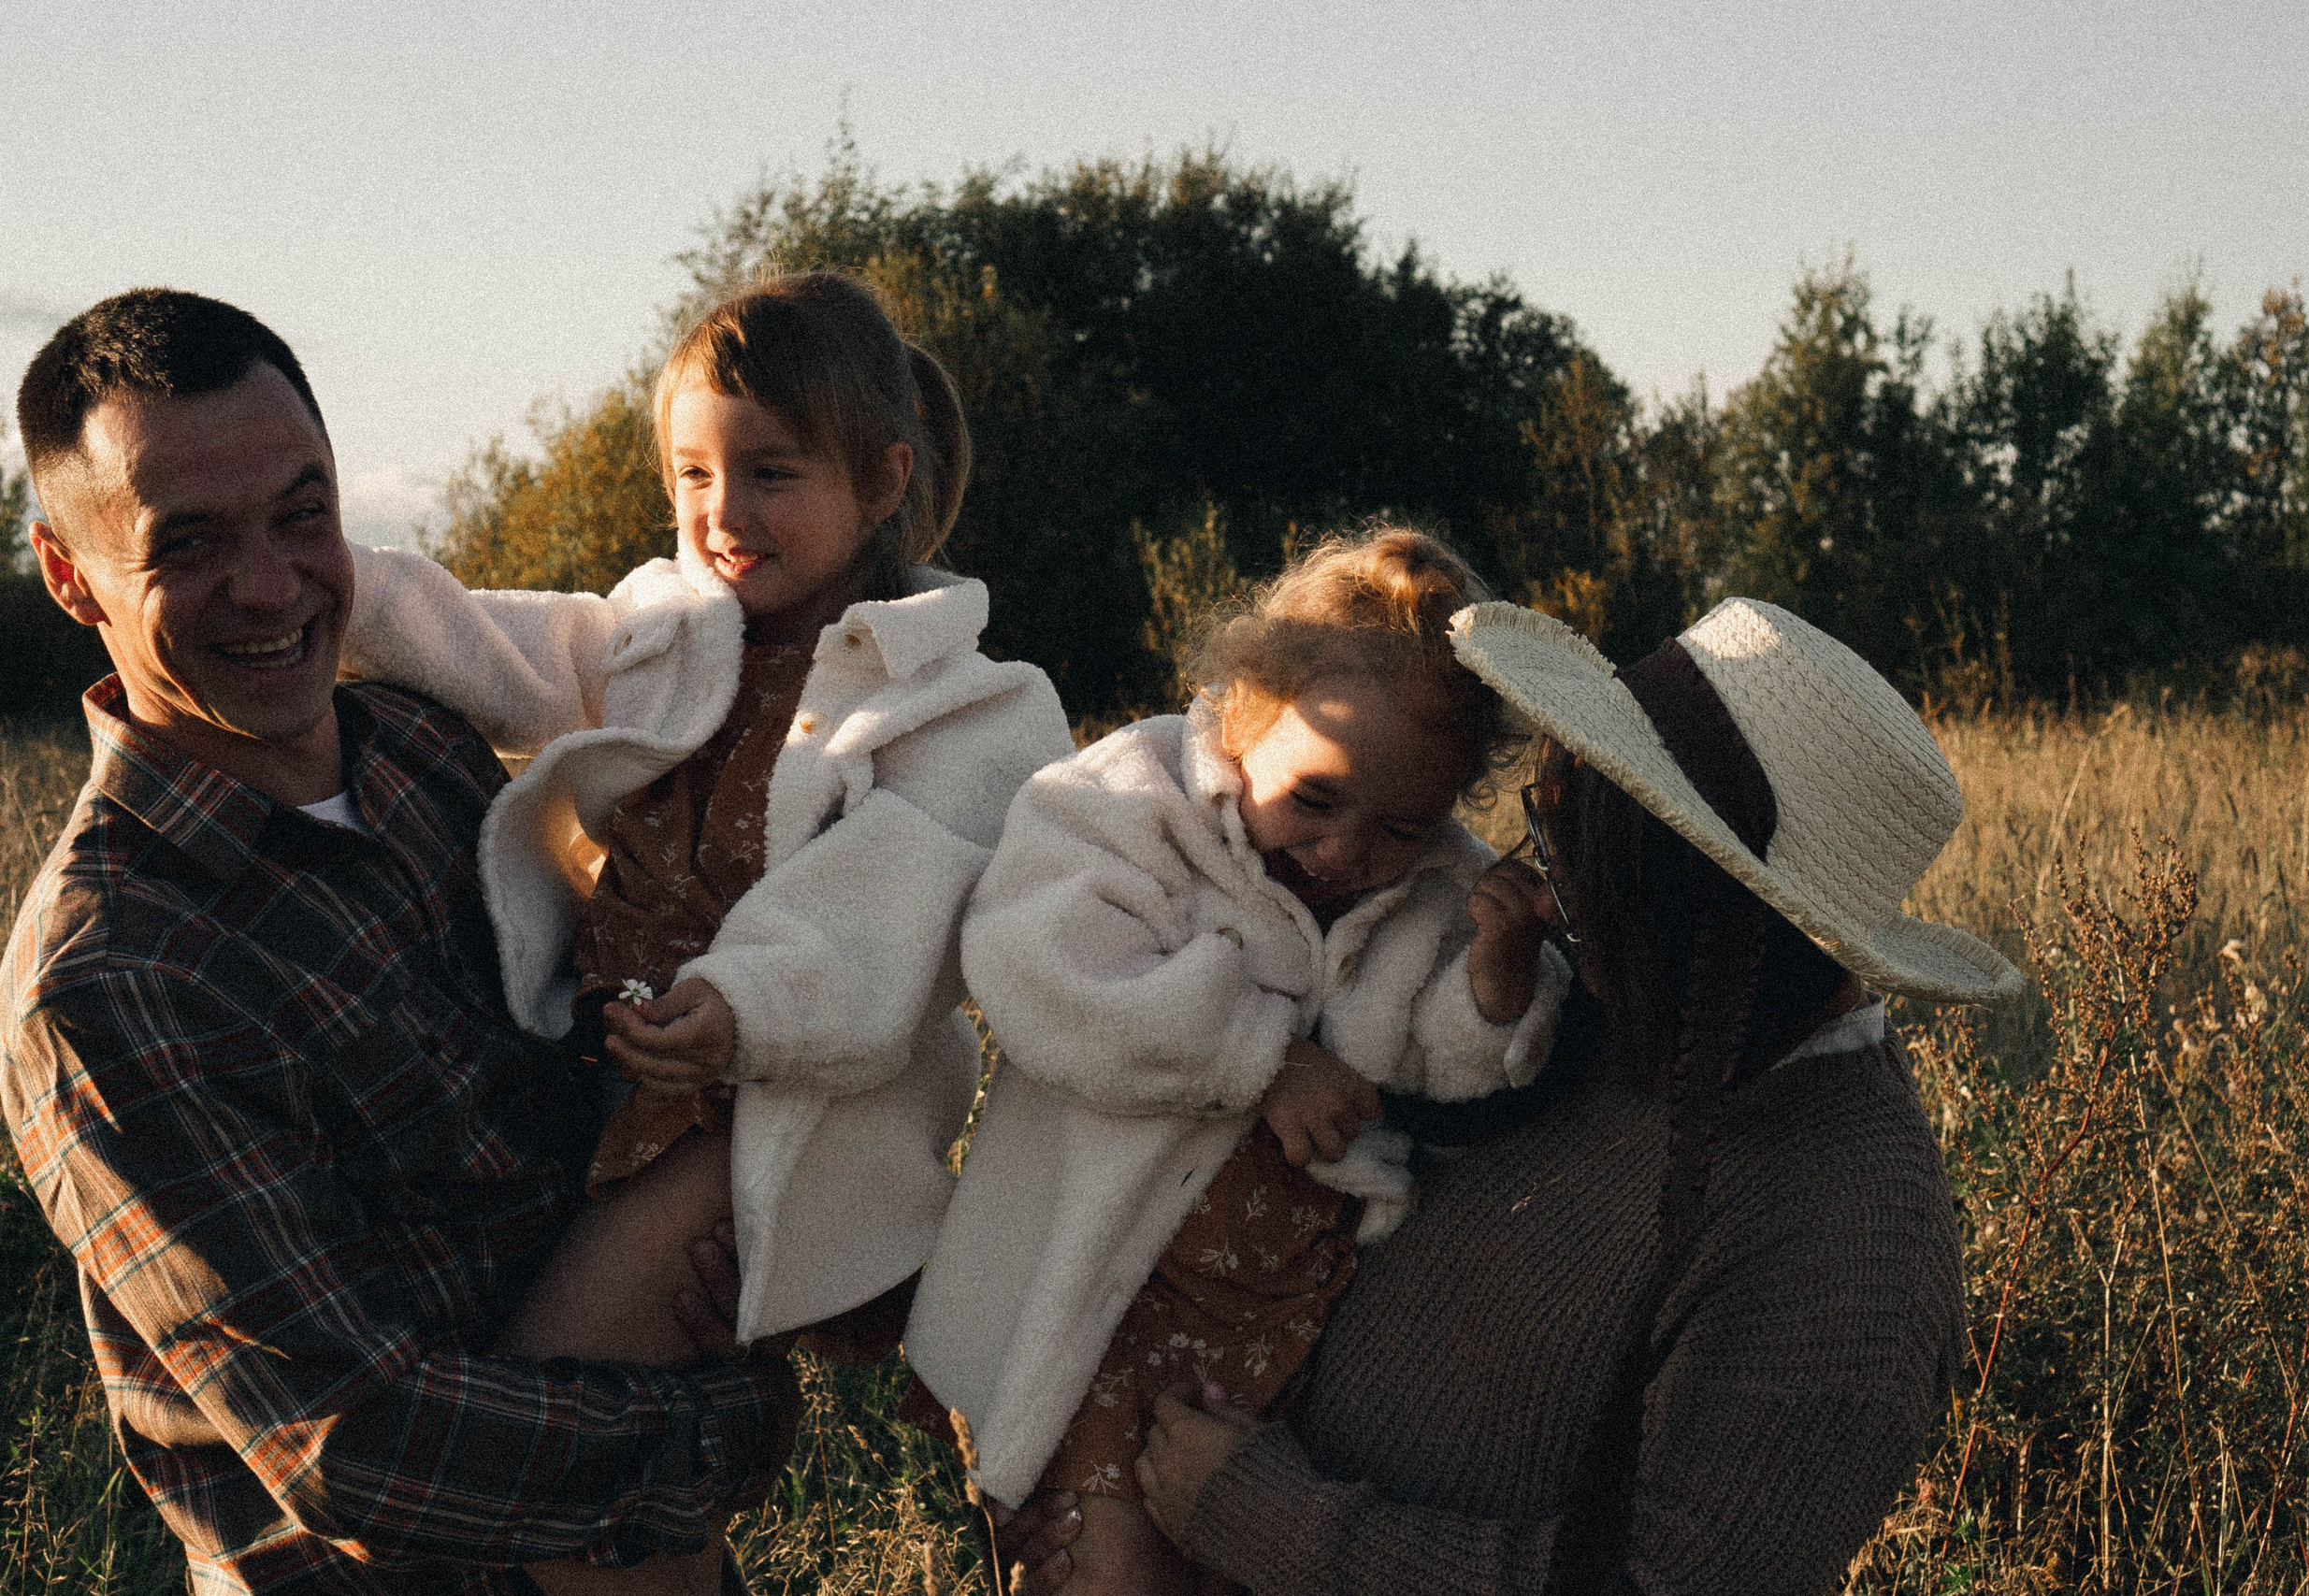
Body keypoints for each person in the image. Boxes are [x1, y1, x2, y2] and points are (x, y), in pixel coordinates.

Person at [3, 287, 791, 1596]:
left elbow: (592, 1088)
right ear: (71, 571)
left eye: (302, 512)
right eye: (186, 543)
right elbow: (354, 1444)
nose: (271, 583)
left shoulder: (426, 755)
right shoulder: (113, 973)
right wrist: (722, 1423)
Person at [1006, 596, 2024, 1594]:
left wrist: (1260, 1519)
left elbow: (1663, 1580)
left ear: (1697, 903)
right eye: (1551, 839)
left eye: (1591, 870)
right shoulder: (1611, 1016)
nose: (1541, 891)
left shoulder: (1845, 1234)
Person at [333, 272, 1074, 1573]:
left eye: (772, 472)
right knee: (627, 1483)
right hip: (620, 1083)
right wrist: (332, 584)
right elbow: (502, 645)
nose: (722, 514)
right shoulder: (667, 633)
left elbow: (889, 908)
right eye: (692, 474)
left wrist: (746, 1007)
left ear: (883, 479)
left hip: (774, 1116)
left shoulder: (967, 701)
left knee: (557, 1432)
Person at [908, 531, 1574, 1595]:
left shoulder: (1437, 886)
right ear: (1240, 716)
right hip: (1108, 1294)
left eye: (1401, 825)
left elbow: (1446, 1060)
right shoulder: (1131, 802)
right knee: (1109, 1564)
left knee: (1228, 1561)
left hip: (1287, 1320)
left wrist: (1497, 977)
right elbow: (1041, 965)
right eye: (1316, 799)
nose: (1348, 852)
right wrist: (1259, 1058)